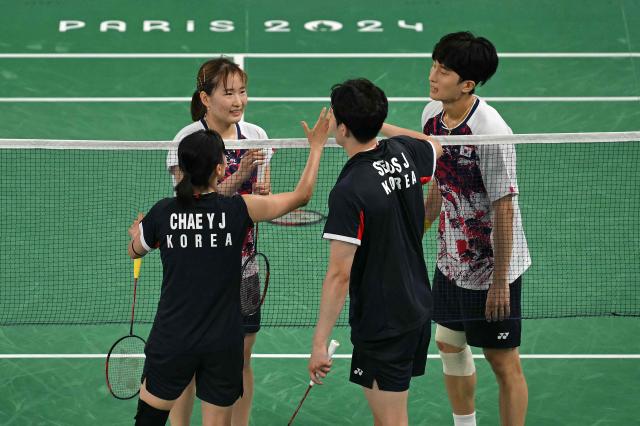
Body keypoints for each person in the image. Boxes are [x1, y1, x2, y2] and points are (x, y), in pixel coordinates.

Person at [128, 108, 330, 426]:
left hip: (172, 338)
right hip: (222, 342)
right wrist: (316, 146)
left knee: (148, 421)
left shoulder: (162, 213)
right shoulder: (240, 209)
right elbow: (302, 196)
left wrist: (138, 233)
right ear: (222, 168)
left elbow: (135, 250)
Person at [381, 32, 531, 426]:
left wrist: (499, 281)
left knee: (502, 360)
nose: (433, 75)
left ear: (467, 83)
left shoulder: (490, 132)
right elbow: (440, 187)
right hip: (452, 259)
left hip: (493, 267)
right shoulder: (431, 114)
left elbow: (504, 207)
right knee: (449, 343)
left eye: (443, 70)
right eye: (434, 64)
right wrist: (416, 236)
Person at [308, 78, 442, 426]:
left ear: (342, 127)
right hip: (415, 306)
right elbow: (432, 145)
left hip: (385, 322)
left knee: (392, 422)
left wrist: (319, 343)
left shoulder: (349, 191)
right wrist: (376, 121)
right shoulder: (403, 152)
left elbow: (339, 274)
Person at [165, 57, 270, 426]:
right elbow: (191, 203)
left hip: (243, 268)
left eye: (242, 91)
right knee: (189, 361)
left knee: (240, 359)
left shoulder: (256, 136)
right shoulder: (186, 140)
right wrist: (240, 174)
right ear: (206, 99)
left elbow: (260, 194)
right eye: (228, 93)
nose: (238, 100)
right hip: (196, 274)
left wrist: (260, 189)